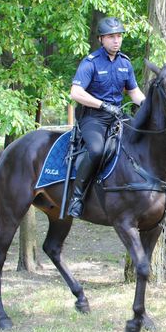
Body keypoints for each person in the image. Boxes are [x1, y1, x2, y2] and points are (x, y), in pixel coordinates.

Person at [66, 16, 146, 218]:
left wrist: (148, 105)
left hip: (117, 117)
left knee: (143, 139)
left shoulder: (125, 63)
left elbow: (134, 92)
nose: (116, 40)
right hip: (93, 118)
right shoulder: (90, 62)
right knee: (96, 150)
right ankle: (77, 198)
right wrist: (103, 105)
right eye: (111, 37)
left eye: (119, 36)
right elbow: (76, 93)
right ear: (101, 38)